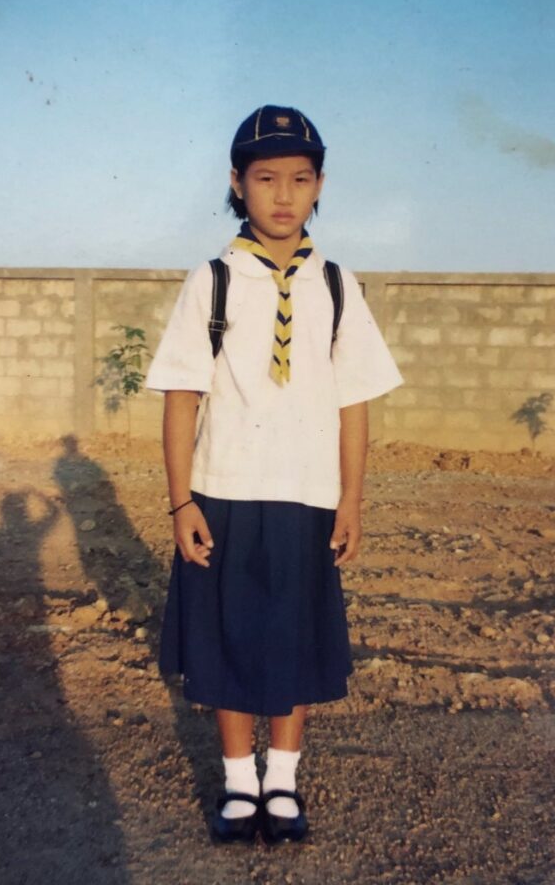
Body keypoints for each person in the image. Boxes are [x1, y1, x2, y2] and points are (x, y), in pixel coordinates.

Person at [146, 104, 403, 844]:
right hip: (224, 493)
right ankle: (236, 784)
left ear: (319, 185)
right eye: (265, 179)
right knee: (227, 641)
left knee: (292, 639)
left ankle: (282, 783)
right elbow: (181, 398)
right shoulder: (213, 281)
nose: (282, 195)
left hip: (307, 500)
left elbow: (354, 403)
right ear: (237, 184)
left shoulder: (337, 287)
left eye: (299, 178)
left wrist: (350, 500)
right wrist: (179, 501)